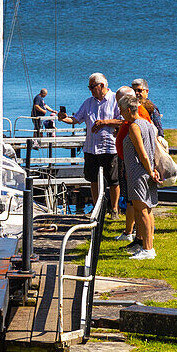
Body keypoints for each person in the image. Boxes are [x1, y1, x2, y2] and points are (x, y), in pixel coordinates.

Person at [60, 73, 122, 214]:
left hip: (109, 147)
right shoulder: (88, 102)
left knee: (113, 181)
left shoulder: (115, 100)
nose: (90, 90)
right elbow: (76, 119)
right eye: (89, 87)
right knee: (93, 179)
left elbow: (123, 120)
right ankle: (97, 208)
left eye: (92, 86)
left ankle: (114, 209)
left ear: (102, 85)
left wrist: (105, 122)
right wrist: (63, 118)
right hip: (91, 148)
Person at [117, 93, 160, 260]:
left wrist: (149, 171)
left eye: (121, 110)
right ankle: (147, 246)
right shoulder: (147, 124)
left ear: (129, 110)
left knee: (142, 211)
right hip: (146, 171)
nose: (120, 113)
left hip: (138, 172)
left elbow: (142, 154)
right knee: (147, 210)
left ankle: (148, 249)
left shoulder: (135, 126)